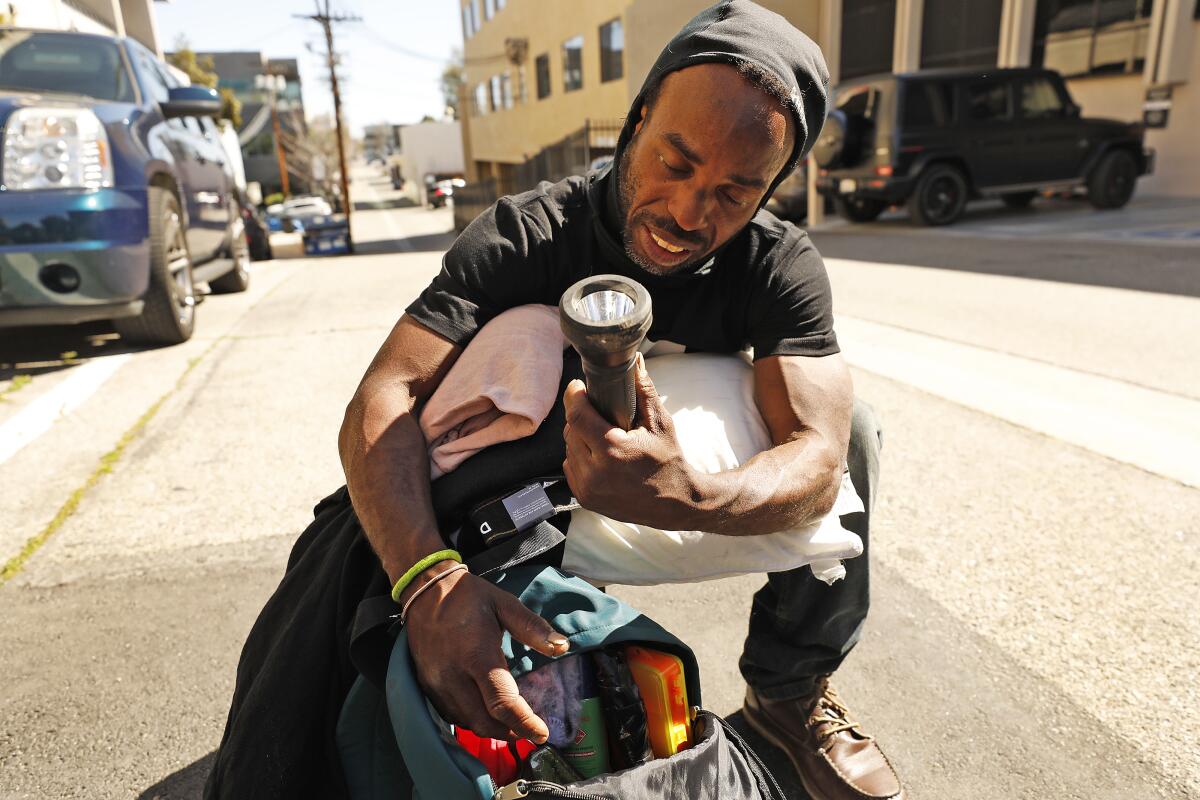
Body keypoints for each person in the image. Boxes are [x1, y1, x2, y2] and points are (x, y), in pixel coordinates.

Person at [206, 3, 902, 799]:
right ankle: (526, 674)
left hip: (679, 487)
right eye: (674, 162)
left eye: (735, 193)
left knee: (858, 432)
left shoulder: (779, 265)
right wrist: (430, 582)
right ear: (635, 123)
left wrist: (693, 494)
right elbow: (385, 393)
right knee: (520, 345)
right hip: (532, 495)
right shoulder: (528, 233)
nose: (687, 214)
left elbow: (818, 459)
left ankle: (789, 690)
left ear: (772, 187)